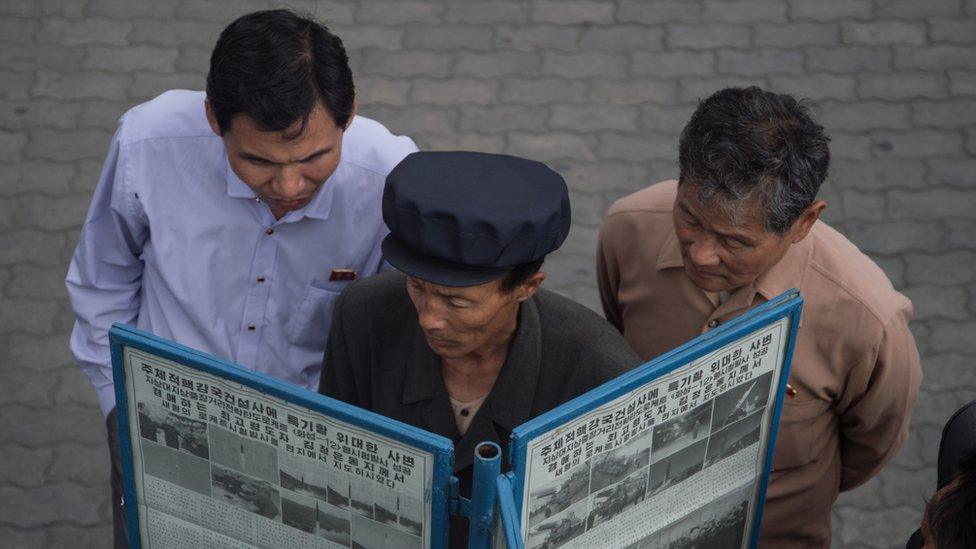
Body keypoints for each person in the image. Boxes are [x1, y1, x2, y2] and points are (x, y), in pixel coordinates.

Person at [65, 9, 417, 546]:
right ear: (213, 118)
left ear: (350, 115)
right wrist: (120, 405)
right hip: (162, 423)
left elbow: (399, 331)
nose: (290, 184)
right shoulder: (147, 145)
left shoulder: (391, 179)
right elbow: (102, 280)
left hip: (312, 453)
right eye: (258, 161)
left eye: (316, 157)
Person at [596, 86, 922, 547]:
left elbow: (872, 444)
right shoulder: (626, 228)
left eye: (734, 242)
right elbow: (615, 340)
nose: (702, 255)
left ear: (804, 223)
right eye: (689, 219)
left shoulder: (869, 319)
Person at [319, 151, 640, 547]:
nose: (428, 319)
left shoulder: (600, 374)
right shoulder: (363, 314)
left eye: (457, 303)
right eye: (417, 287)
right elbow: (331, 458)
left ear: (527, 287)